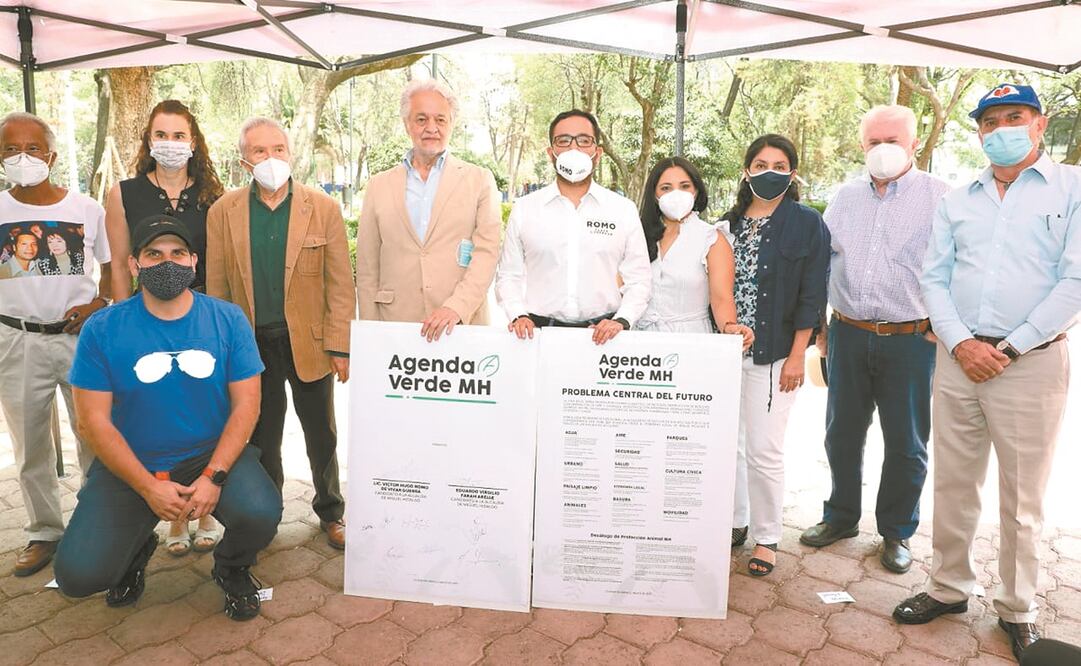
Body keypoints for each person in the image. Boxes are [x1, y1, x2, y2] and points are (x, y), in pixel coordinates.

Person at [894, 83, 1081, 662]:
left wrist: (1010, 347)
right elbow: (933, 278)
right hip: (958, 361)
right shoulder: (959, 199)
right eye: (990, 121)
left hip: (1029, 363)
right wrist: (962, 343)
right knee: (954, 481)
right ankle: (948, 588)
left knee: (1022, 498)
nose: (1001, 128)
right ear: (977, 131)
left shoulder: (1072, 188)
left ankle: (1017, 607)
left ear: (1039, 124)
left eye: (1014, 116)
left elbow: (1075, 282)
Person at [55, 215, 280, 621]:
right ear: (134, 265)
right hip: (134, 461)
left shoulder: (227, 319)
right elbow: (92, 423)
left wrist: (214, 477)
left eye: (178, 253)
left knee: (260, 511)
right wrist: (147, 488)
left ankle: (232, 568)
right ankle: (135, 549)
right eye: (154, 254)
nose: (167, 263)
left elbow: (247, 406)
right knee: (78, 577)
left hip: (208, 455)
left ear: (194, 262)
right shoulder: (103, 329)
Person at [799, 106, 950, 574]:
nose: (882, 149)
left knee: (906, 442)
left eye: (892, 139)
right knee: (841, 432)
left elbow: (960, 265)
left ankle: (896, 532)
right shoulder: (844, 197)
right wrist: (822, 323)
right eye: (873, 141)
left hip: (910, 339)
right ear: (861, 145)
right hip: (848, 333)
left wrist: (940, 323)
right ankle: (840, 516)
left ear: (914, 142)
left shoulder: (941, 197)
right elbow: (825, 261)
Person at [206, 117, 354, 550]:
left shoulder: (322, 208)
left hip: (307, 342)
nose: (271, 159)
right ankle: (267, 516)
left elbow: (340, 284)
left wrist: (340, 346)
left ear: (291, 153)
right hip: (251, 346)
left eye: (279, 149)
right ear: (243, 160)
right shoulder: (224, 212)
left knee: (321, 433)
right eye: (259, 152)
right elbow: (217, 289)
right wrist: (225, 353)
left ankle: (331, 511)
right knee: (262, 438)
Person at [105, 99, 226, 557]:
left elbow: (220, 263)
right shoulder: (124, 193)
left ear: (193, 142)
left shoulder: (212, 196)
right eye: (162, 135)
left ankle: (205, 509)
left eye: (179, 136)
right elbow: (119, 263)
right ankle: (174, 519)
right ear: (148, 140)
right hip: (144, 320)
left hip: (201, 320)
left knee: (201, 413)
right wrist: (121, 325)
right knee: (158, 417)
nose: (170, 144)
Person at [0, 111, 110, 577]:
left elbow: (111, 273)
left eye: (32, 148)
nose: (22, 157)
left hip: (78, 340)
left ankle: (97, 525)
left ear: (52, 155)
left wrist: (97, 304)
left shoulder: (87, 210)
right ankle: (44, 531)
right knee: (30, 445)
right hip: (16, 339)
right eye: (10, 149)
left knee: (94, 435)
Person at [725, 134, 829, 577]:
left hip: (774, 355)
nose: (770, 171)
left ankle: (767, 537)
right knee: (730, 445)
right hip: (726, 354)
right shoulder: (726, 224)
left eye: (780, 165)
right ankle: (735, 521)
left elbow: (813, 293)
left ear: (792, 173)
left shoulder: (807, 224)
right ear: (747, 170)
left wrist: (796, 355)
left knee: (764, 449)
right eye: (761, 163)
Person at [356, 79, 500, 340]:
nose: (431, 128)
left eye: (440, 120)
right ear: (407, 124)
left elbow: (487, 255)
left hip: (461, 327)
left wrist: (455, 307)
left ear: (451, 124)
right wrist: (368, 334)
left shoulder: (479, 180)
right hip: (394, 326)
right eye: (421, 119)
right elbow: (367, 268)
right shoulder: (378, 185)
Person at [497, 109, 651, 343]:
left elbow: (639, 280)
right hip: (537, 337)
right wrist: (518, 314)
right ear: (551, 153)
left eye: (584, 140)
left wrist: (622, 320)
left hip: (604, 339)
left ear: (597, 152)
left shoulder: (622, 210)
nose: (574, 148)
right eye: (564, 141)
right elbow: (509, 275)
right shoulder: (525, 209)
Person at [635, 156, 753, 350]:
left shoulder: (711, 238)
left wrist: (730, 327)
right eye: (666, 187)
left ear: (696, 191)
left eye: (684, 186)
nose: (676, 194)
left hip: (692, 343)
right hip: (639, 345)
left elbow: (721, 297)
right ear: (654, 194)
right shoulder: (637, 234)